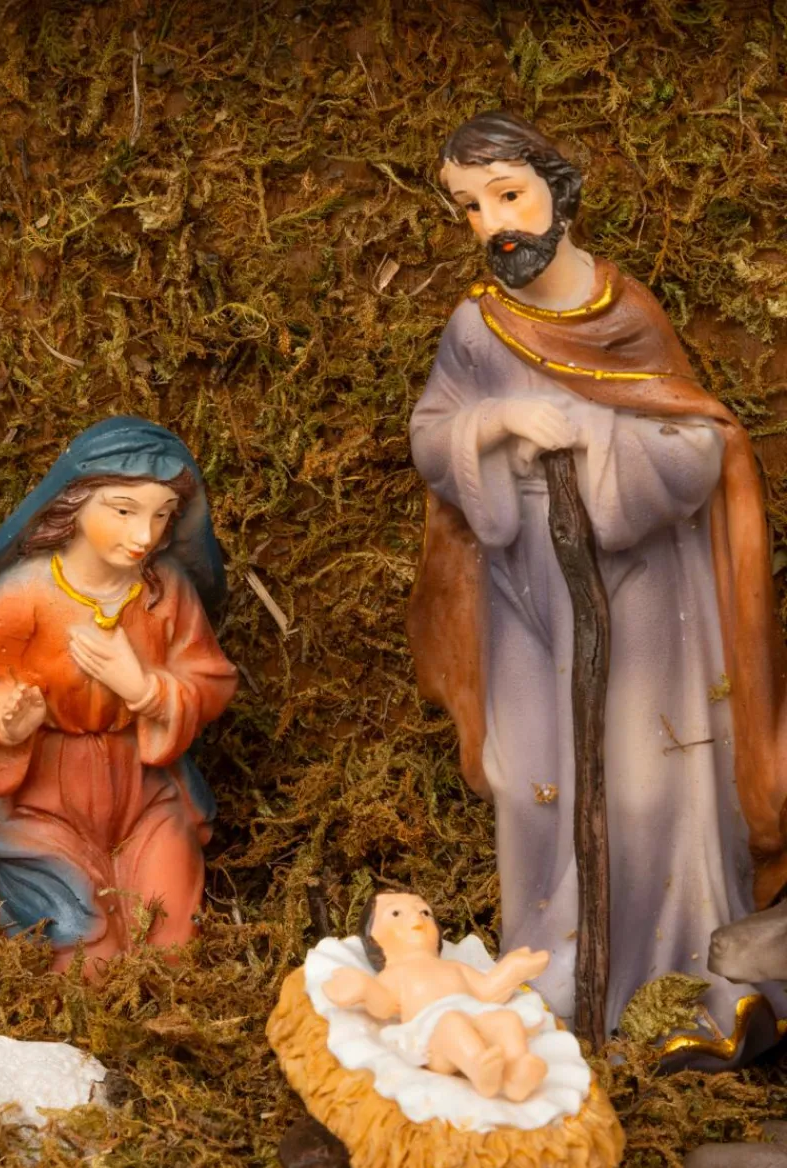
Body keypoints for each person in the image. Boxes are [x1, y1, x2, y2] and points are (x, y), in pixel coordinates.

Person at [407, 112, 787, 1066]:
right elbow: (433, 435)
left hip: (643, 597)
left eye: (509, 195)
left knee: (647, 781)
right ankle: (559, 973)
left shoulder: (626, 313)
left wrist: (597, 440)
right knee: (533, 781)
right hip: (523, 589)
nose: (494, 224)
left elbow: (701, 439)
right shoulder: (476, 327)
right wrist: (496, 423)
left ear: (560, 191)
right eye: (470, 207)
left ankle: (664, 977)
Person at [0, 418, 237, 974]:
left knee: (172, 945)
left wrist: (145, 689)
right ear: (74, 501)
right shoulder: (23, 593)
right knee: (84, 965)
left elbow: (210, 676)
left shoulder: (166, 592)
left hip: (144, 790)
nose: (145, 535)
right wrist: (3, 722)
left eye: (162, 515)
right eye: (124, 510)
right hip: (48, 798)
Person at [323, 892, 550, 1101]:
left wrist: (514, 969)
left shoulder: (455, 967)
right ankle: (478, 1068)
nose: (417, 918)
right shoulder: (395, 974)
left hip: (475, 1014)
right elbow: (384, 1006)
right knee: (453, 1022)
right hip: (435, 1037)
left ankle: (516, 1072)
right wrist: (363, 987)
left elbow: (488, 991)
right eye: (396, 913)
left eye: (424, 912)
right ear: (373, 938)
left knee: (507, 1020)